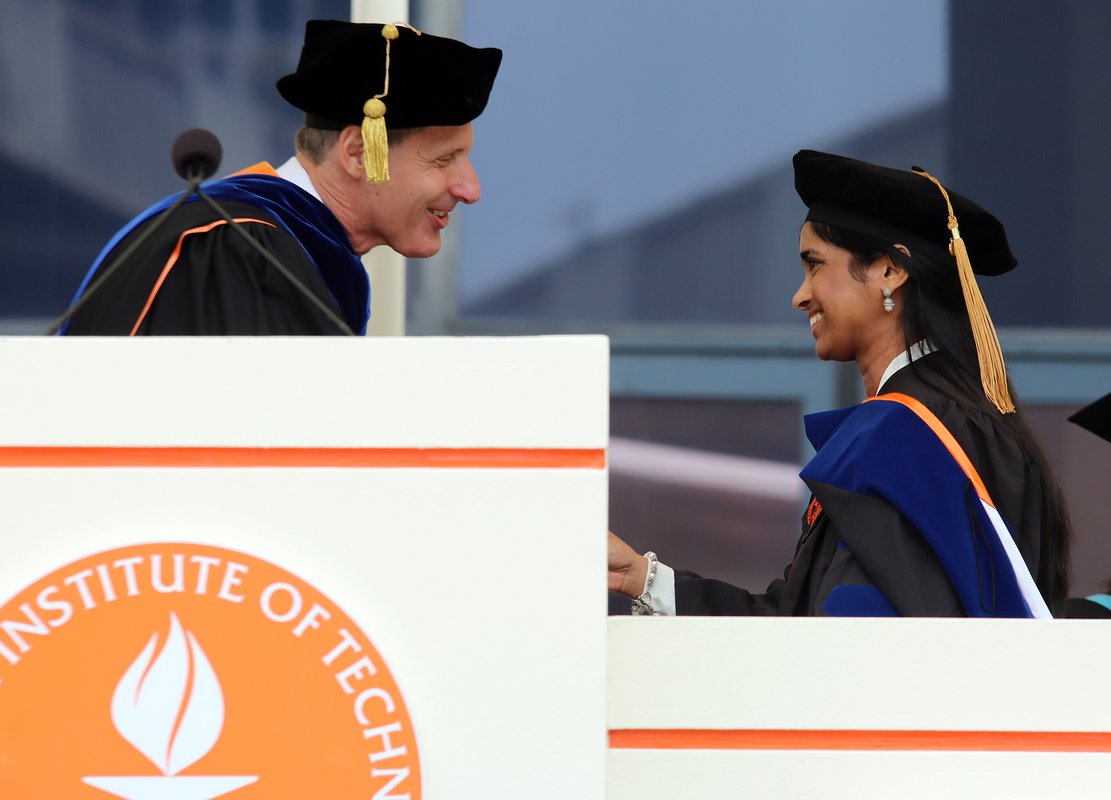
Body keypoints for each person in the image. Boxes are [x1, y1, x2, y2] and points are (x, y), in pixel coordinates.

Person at [609, 149, 1073, 618]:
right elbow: (800, 617)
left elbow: (854, 635)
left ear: (890, 271)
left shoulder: (911, 439)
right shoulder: (951, 428)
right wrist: (644, 581)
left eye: (816, 264)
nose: (800, 295)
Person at [60, 20, 501, 335]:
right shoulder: (233, 248)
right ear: (360, 153)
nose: (471, 189)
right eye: (445, 160)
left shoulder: (290, 248)